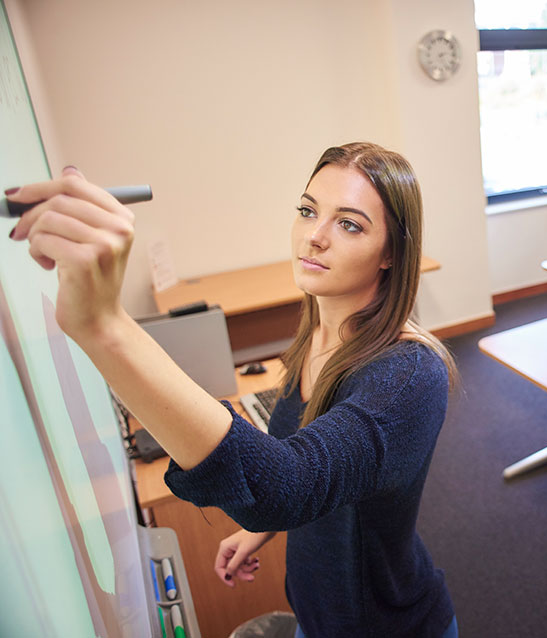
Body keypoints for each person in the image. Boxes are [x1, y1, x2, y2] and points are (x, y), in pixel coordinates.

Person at [8, 143, 459, 637]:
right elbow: (310, 471)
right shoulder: (320, 331)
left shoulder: (411, 376)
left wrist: (105, 326)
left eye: (349, 224)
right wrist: (259, 529)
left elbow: (293, 482)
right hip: (318, 609)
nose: (314, 236)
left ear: (392, 252)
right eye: (308, 211)